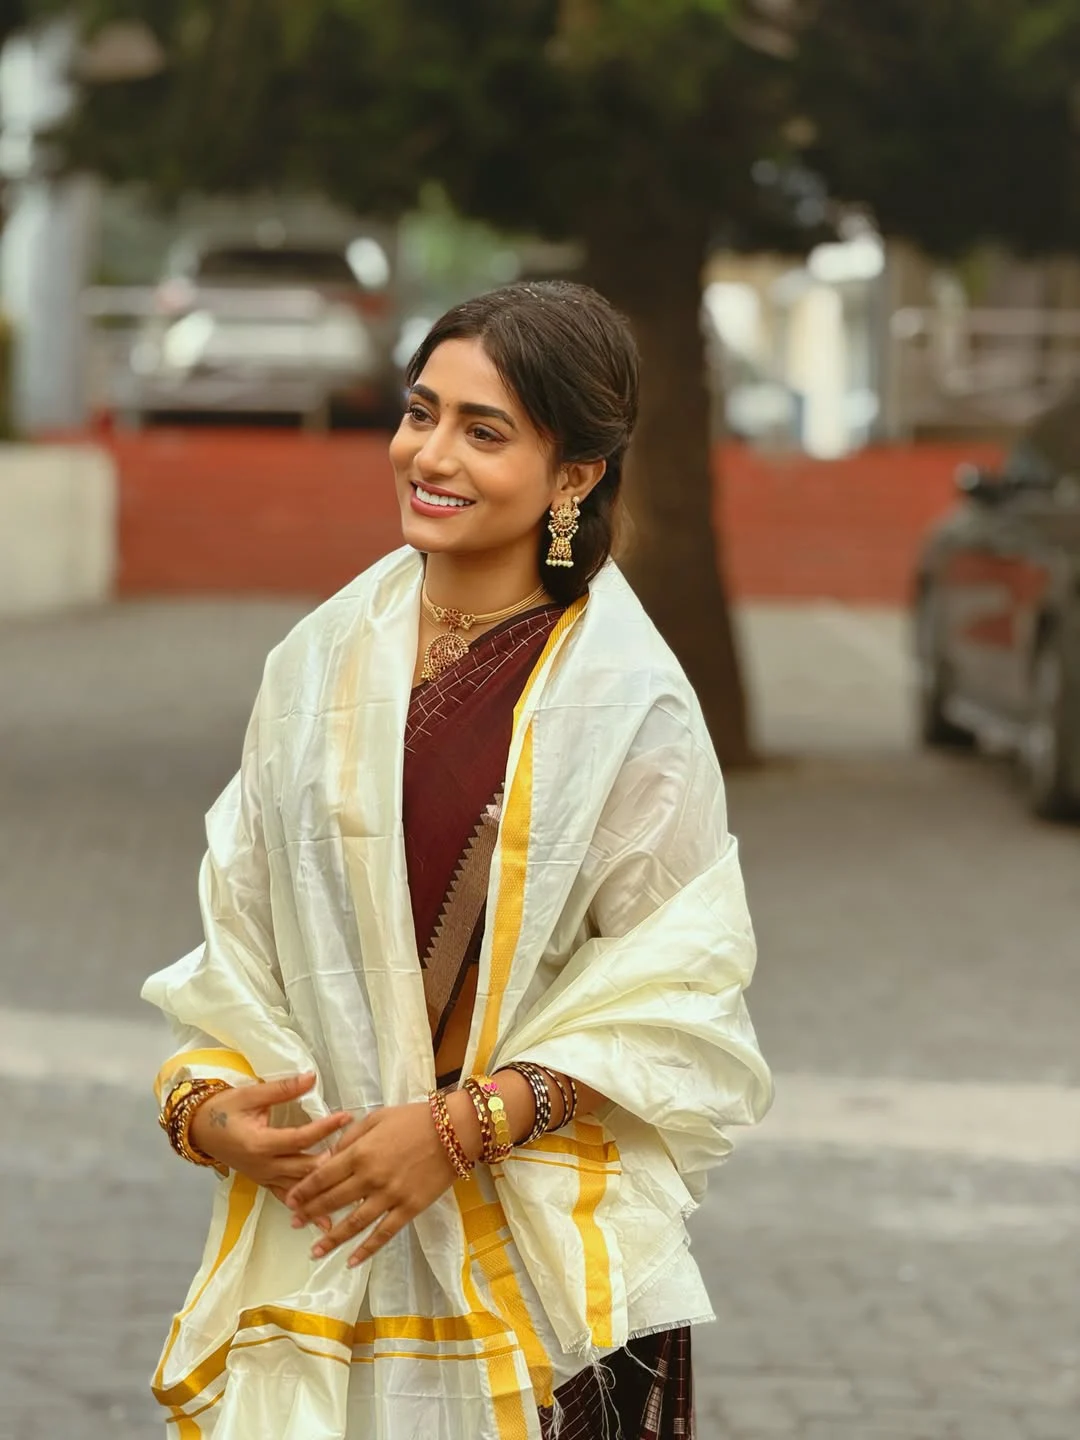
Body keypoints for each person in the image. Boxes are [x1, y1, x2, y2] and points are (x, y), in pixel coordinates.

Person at [144, 280, 772, 1440]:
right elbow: (240, 935)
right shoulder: (318, 662)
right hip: (326, 1231)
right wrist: (213, 1108)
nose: (429, 454)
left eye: (484, 431)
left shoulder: (627, 705)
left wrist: (452, 1131)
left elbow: (681, 998)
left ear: (574, 474)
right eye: (419, 411)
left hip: (541, 1290)